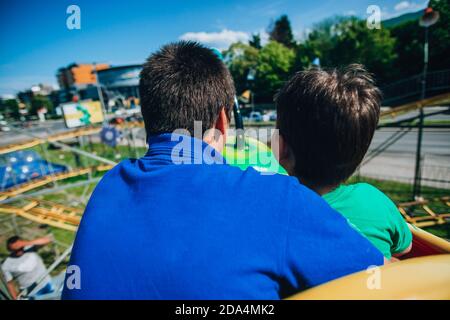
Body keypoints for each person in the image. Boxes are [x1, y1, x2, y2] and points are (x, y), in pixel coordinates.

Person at [62, 41, 383, 300]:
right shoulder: (276, 198)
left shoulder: (109, 185)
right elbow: (378, 276)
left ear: (149, 118)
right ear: (222, 121)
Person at [274, 64, 412, 260]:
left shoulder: (273, 210)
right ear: (359, 150)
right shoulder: (375, 201)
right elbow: (404, 249)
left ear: (280, 148)